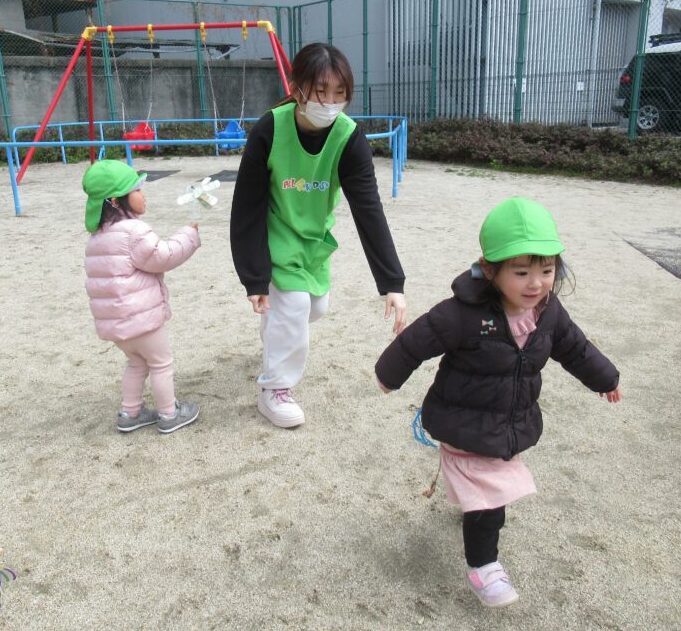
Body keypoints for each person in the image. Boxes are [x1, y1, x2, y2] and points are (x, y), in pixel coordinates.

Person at [375, 197, 622, 608]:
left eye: (547, 270)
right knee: (490, 503)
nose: (536, 283)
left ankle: (474, 515)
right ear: (490, 270)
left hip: (507, 424)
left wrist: (605, 378)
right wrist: (388, 376)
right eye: (521, 272)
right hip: (464, 423)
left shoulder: (548, 313)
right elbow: (417, 340)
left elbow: (576, 348)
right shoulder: (463, 314)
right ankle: (484, 568)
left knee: (489, 494)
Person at [231, 42, 407, 429]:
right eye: (321, 91)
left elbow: (368, 208)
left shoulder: (348, 137)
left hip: (313, 239)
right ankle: (274, 390)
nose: (330, 103)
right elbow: (246, 206)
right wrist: (254, 276)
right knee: (293, 307)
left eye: (339, 93)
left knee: (314, 309)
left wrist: (392, 282)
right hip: (277, 234)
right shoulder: (270, 129)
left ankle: (276, 332)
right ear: (297, 88)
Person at [82, 159, 201, 434]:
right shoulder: (133, 232)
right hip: (141, 319)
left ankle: (130, 412)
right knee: (161, 363)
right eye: (136, 190)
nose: (143, 194)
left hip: (116, 323)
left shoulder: (97, 237)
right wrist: (189, 235)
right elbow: (163, 256)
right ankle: (169, 414)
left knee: (136, 363)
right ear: (115, 201)